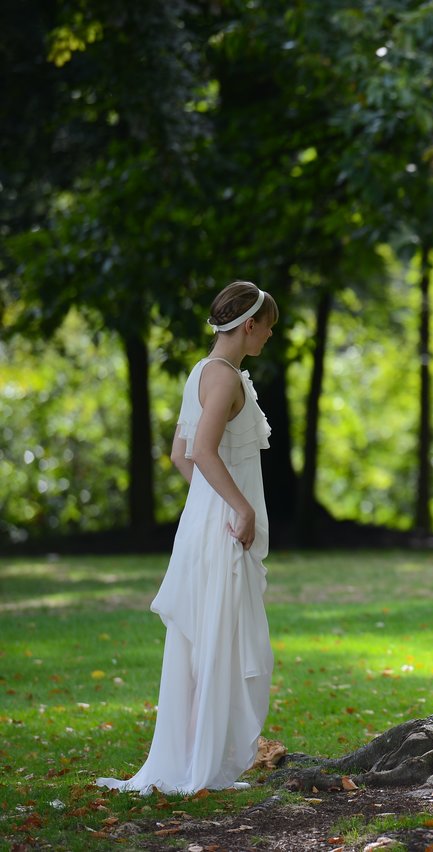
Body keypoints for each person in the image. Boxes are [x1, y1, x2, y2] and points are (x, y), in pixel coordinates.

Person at [98, 281, 277, 795]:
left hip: (205, 523)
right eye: (267, 328)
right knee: (222, 644)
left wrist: (209, 504)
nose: (267, 337)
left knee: (210, 646)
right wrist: (237, 506)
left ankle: (202, 763)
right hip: (220, 527)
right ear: (248, 326)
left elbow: (182, 456)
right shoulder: (223, 379)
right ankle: (200, 768)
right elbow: (200, 450)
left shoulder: (201, 372)